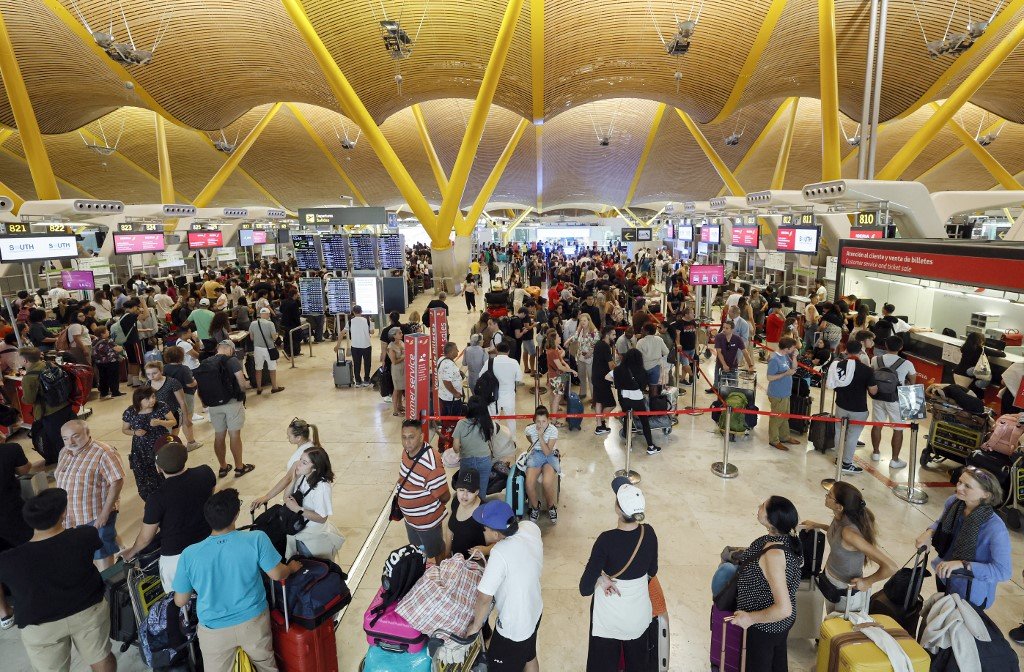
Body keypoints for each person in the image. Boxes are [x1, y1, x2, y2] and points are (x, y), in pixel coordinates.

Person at [172, 489, 302, 672]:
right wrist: (291, 568)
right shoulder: (256, 539)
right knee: (266, 665)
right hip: (253, 622)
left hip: (213, 630)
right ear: (236, 515)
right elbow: (277, 574)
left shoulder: (189, 554)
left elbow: (180, 600)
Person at [0, 488, 117, 672]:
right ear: (63, 513)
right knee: (100, 657)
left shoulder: (9, 560)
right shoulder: (85, 536)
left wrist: (4, 611)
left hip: (40, 626)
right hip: (87, 612)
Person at [579, 477, 658, 672]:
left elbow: (585, 588)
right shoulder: (649, 533)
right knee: (638, 663)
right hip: (638, 615)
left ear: (618, 509)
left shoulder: (606, 540)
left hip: (609, 619)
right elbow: (652, 571)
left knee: (602, 664)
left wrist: (601, 577)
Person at [120, 442, 215, 591]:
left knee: (179, 602)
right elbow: (210, 499)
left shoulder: (156, 498)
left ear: (158, 468)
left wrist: (130, 552)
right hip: (208, 542)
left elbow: (145, 538)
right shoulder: (205, 473)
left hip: (176, 556)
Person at [914, 466, 1012, 609]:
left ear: (986, 494)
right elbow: (940, 522)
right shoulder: (954, 503)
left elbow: (1003, 571)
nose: (959, 488)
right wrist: (929, 533)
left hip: (971, 590)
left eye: (967, 486)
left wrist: (963, 564)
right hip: (944, 574)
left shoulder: (995, 528)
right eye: (960, 482)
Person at [467, 500, 543, 672]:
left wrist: (475, 627)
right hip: (534, 609)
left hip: (513, 626)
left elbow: (484, 597)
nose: (483, 530)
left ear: (495, 534)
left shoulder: (500, 554)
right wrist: (486, 550)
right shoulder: (530, 528)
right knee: (529, 656)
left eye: (485, 528)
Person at [730, 496, 803, 672]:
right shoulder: (788, 539)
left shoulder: (774, 555)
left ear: (771, 521)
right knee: (777, 663)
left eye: (763, 506)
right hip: (777, 624)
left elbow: (784, 609)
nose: (759, 506)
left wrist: (750, 618)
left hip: (765, 625)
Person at [800, 482, 895, 613]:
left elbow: (891, 567)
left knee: (839, 631)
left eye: (829, 495)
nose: (826, 496)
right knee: (830, 623)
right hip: (831, 583)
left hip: (847, 592)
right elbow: (837, 538)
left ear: (839, 506)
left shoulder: (850, 533)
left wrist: (867, 582)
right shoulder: (839, 518)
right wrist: (818, 525)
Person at [54, 420, 124, 571]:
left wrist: (105, 514)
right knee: (85, 552)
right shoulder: (63, 452)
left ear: (88, 433)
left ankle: (109, 588)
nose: (70, 442)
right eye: (65, 438)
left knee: (102, 554)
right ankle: (122, 551)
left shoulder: (104, 452)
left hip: (95, 515)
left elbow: (117, 481)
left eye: (75, 436)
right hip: (72, 516)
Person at [396, 420, 450, 563]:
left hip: (427, 522)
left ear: (421, 436)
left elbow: (445, 496)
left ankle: (442, 571)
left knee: (436, 551)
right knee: (418, 549)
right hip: (410, 519)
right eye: (404, 437)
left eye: (411, 437)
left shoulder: (431, 463)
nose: (407, 442)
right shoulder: (406, 452)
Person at [204, 340, 254, 479]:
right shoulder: (232, 361)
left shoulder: (206, 362)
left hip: (213, 404)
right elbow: (241, 382)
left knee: (219, 435)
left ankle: (223, 467)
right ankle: (239, 467)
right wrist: (243, 392)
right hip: (232, 402)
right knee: (234, 435)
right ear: (230, 349)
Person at [282, 447, 343, 560]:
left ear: (315, 467)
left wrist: (298, 509)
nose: (298, 464)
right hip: (299, 531)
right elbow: (286, 498)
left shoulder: (322, 488)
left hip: (313, 538)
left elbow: (322, 517)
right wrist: (294, 479)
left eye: (304, 462)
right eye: (300, 460)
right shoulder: (303, 477)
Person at [20, 347, 77, 465]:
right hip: (66, 405)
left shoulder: (29, 377)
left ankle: (67, 465)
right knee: (73, 434)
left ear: (25, 360)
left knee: (58, 440)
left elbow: (29, 399)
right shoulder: (50, 364)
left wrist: (23, 398)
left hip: (49, 412)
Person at [827, 341, 877, 475]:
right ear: (860, 352)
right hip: (858, 408)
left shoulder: (838, 365)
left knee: (839, 431)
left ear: (845, 350)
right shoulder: (866, 370)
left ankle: (838, 458)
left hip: (841, 404)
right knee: (852, 436)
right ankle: (847, 463)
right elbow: (873, 391)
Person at [869, 335, 917, 469]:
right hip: (896, 399)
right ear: (901, 348)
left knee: (877, 424)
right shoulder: (907, 363)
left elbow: (871, 375)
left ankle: (876, 453)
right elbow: (913, 380)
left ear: (886, 346)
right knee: (898, 429)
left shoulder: (875, 359)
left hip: (878, 397)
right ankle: (894, 460)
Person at [121, 386, 175, 501]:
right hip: (141, 448)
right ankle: (150, 498)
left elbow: (173, 421)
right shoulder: (130, 411)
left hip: (160, 445)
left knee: (163, 470)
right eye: (147, 399)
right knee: (143, 473)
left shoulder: (161, 406)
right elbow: (125, 429)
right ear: (138, 400)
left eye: (153, 397)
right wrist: (135, 432)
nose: (152, 400)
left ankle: (168, 495)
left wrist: (160, 422)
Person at [0, 441, 33, 628]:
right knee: (28, 554)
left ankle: (4, 614)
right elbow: (24, 470)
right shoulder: (9, 449)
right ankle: (38, 600)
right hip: (10, 514)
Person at [143, 360, 199, 450]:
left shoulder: (172, 382)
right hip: (156, 415)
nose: (151, 376)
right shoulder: (148, 384)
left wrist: (186, 418)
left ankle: (172, 453)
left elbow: (182, 402)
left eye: (154, 373)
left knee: (171, 437)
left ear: (161, 371)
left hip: (173, 414)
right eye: (148, 374)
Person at [524, 406, 560, 525]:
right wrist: (534, 442)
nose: (541, 424)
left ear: (548, 420)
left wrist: (539, 436)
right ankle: (535, 507)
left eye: (544, 421)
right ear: (534, 420)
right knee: (529, 483)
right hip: (536, 455)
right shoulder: (530, 429)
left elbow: (547, 452)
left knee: (547, 482)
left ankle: (551, 506)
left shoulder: (553, 430)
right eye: (538, 421)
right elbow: (528, 435)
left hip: (549, 455)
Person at [765, 337, 801, 452]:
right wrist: (786, 373)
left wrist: (794, 356)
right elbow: (769, 377)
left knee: (785, 415)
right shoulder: (775, 359)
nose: (795, 349)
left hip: (785, 392)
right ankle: (774, 440)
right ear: (786, 348)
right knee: (777, 418)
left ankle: (785, 436)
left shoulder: (785, 356)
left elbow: (794, 368)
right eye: (793, 348)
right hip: (777, 393)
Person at [482, 341, 523, 435]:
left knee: (494, 419)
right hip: (509, 396)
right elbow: (519, 378)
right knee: (511, 419)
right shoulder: (514, 362)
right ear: (508, 351)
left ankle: (495, 441)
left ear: (496, 350)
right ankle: (513, 441)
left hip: (493, 396)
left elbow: (481, 376)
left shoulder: (490, 362)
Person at [453, 396, 495, 488]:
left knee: (466, 489)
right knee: (482, 489)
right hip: (485, 460)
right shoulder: (488, 423)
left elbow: (456, 448)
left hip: (467, 459)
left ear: (468, 408)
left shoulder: (461, 423)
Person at [447, 469, 489, 560]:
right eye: (461, 490)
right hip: (456, 561)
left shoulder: (485, 512)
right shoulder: (456, 501)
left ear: (477, 492)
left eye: (470, 491)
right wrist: (446, 556)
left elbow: (502, 539)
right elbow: (450, 530)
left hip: (474, 566)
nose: (464, 496)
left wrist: (486, 550)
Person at [248, 307, 285, 394]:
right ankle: (274, 387)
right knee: (272, 368)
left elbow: (251, 338)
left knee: (258, 368)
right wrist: (276, 335)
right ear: (268, 314)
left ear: (260, 314)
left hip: (257, 349)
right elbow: (273, 337)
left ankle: (259, 388)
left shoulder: (253, 323)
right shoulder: (270, 324)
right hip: (269, 348)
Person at [163, 345, 201, 427]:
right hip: (186, 394)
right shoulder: (184, 369)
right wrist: (196, 381)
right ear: (182, 357)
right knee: (187, 418)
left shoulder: (164, 368)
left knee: (173, 416)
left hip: (171, 395)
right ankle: (190, 439)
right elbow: (190, 384)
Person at [712, 321, 754, 392]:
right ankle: (719, 399)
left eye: (727, 328)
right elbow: (719, 352)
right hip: (720, 366)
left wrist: (750, 365)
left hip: (733, 367)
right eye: (723, 327)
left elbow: (745, 352)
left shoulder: (737, 339)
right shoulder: (719, 337)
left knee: (733, 388)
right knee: (719, 386)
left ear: (732, 330)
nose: (724, 330)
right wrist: (724, 365)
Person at [565, 313, 599, 401]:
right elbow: (575, 338)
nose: (582, 322)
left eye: (584, 320)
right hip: (580, 357)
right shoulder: (580, 330)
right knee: (581, 376)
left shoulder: (593, 331)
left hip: (590, 358)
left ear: (589, 321)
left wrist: (590, 352)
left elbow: (596, 344)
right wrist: (568, 341)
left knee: (591, 378)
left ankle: (594, 397)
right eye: (581, 321)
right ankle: (583, 392)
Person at [544, 331, 575, 425]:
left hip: (554, 376)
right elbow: (560, 367)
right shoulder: (553, 352)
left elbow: (561, 362)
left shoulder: (553, 350)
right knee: (557, 399)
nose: (560, 338)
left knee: (554, 397)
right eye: (558, 336)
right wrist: (572, 371)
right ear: (554, 339)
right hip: (557, 378)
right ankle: (553, 421)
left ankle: (552, 416)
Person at [591, 326, 617, 435]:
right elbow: (611, 365)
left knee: (598, 401)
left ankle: (599, 426)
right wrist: (619, 371)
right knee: (612, 404)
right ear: (607, 335)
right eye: (613, 335)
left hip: (596, 376)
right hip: (603, 379)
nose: (615, 337)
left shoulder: (598, 344)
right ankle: (601, 420)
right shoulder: (606, 347)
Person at [341, 305, 374, 387]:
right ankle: (366, 380)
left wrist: (338, 345)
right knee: (367, 363)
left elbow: (343, 332)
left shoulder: (350, 321)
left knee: (356, 363)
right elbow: (372, 332)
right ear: (361, 311)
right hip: (366, 345)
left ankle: (358, 381)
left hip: (355, 346)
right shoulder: (367, 321)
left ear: (353, 312)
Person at [437, 341, 465, 418]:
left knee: (446, 417)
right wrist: (455, 393)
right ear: (451, 352)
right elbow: (446, 381)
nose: (458, 351)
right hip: (451, 398)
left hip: (444, 395)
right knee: (453, 418)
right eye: (456, 349)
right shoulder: (448, 364)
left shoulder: (442, 359)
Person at [388, 327, 406, 416]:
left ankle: (400, 405)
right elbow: (394, 361)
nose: (401, 334)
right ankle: (395, 410)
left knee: (401, 389)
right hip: (397, 370)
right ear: (394, 336)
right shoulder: (391, 347)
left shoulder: (401, 343)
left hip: (403, 368)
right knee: (396, 389)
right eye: (399, 333)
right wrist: (404, 357)